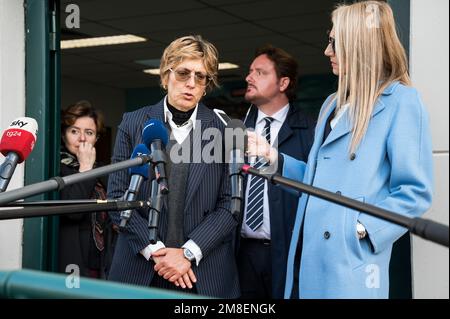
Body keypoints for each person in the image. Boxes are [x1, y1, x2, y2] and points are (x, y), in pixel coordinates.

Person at [247, 1, 433, 298]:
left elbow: (414, 192)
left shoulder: (402, 101)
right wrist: (274, 158)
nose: (327, 51)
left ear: (357, 44)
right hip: (309, 255)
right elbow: (319, 181)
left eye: (333, 42)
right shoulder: (332, 104)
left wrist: (361, 230)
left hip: (351, 263)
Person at [107, 35, 240, 298]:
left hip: (204, 273)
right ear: (166, 74)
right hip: (140, 268)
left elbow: (231, 206)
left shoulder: (226, 130)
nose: (191, 83)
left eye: (200, 77)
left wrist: (188, 253)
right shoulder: (133, 123)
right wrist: (157, 252)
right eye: (183, 73)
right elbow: (118, 197)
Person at [237, 45, 315, 298]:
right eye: (250, 72)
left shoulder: (312, 132)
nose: (249, 78)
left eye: (260, 72)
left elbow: (317, 189)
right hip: (240, 254)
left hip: (292, 253)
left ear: (283, 83)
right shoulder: (232, 130)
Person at [59, 100, 116, 279]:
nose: (82, 138)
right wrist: (85, 167)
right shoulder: (56, 168)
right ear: (64, 135)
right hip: (71, 264)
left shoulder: (103, 171)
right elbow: (72, 212)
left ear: (97, 139)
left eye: (89, 133)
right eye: (74, 131)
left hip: (102, 263)